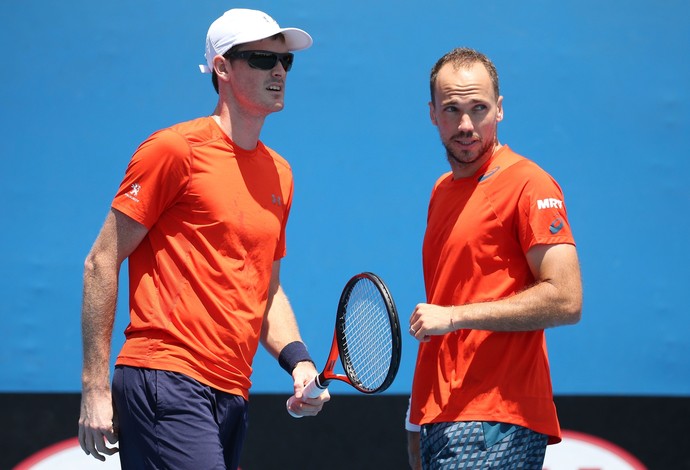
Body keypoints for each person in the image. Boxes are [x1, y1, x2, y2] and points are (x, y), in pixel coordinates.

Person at [77, 8, 329, 469]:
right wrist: (94, 388)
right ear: (222, 68)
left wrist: (299, 362)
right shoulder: (174, 150)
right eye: (260, 59)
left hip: (232, 390)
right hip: (165, 377)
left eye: (285, 62)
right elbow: (101, 260)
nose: (278, 70)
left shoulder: (282, 174)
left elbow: (265, 290)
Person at [406, 47, 583, 469]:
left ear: (499, 109)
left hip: (496, 418)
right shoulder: (440, 191)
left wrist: (454, 317)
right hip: (440, 417)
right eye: (452, 109)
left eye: (479, 108)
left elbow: (566, 298)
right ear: (432, 114)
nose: (466, 125)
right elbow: (446, 303)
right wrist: (416, 419)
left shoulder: (529, 183)